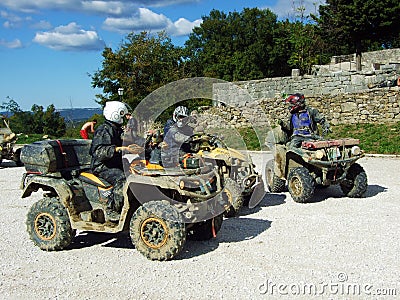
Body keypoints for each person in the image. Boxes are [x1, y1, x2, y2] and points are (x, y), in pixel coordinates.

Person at [89, 102, 130, 221]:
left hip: (114, 163)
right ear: (116, 114)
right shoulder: (104, 130)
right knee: (123, 179)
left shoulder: (115, 129)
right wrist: (118, 149)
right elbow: (98, 151)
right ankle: (112, 208)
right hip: (102, 166)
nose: (125, 118)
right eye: (123, 115)